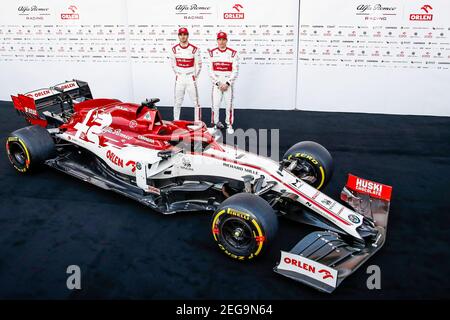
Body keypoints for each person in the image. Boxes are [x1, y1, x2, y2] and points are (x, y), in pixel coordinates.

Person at [208, 32, 239, 134]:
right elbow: (210, 70)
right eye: (219, 39)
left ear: (226, 40)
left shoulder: (233, 53)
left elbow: (235, 70)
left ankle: (229, 125)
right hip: (217, 83)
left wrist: (227, 83)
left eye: (223, 39)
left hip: (227, 83)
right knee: (215, 105)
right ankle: (216, 124)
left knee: (228, 106)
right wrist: (218, 83)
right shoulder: (212, 53)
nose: (221, 42)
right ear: (217, 40)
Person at [171, 27, 202, 122]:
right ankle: (176, 121)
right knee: (177, 102)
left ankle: (197, 123)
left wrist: (193, 76)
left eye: (184, 34)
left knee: (196, 102)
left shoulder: (194, 49)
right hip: (180, 78)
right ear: (178, 36)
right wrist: (179, 74)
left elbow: (199, 65)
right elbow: (173, 64)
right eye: (181, 34)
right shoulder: (174, 49)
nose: (183, 36)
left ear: (187, 35)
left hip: (190, 78)